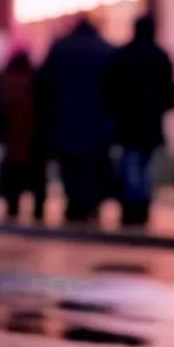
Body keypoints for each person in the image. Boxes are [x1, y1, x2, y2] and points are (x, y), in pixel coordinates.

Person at [36, 16, 113, 222]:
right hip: (97, 122)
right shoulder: (105, 49)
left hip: (65, 120)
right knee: (94, 166)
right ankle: (92, 204)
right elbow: (116, 89)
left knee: (71, 167)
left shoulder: (60, 48)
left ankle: (75, 205)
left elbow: (43, 84)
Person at [103, 15, 174, 226]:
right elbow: (169, 94)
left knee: (130, 164)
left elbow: (111, 92)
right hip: (150, 122)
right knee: (146, 165)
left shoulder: (122, 55)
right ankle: (142, 204)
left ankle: (131, 205)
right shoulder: (160, 56)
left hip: (127, 123)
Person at [0, 48, 45, 220]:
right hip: (33, 139)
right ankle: (38, 210)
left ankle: (12, 207)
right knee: (35, 176)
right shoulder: (35, 79)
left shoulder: (3, 80)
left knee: (12, 176)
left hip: (11, 140)